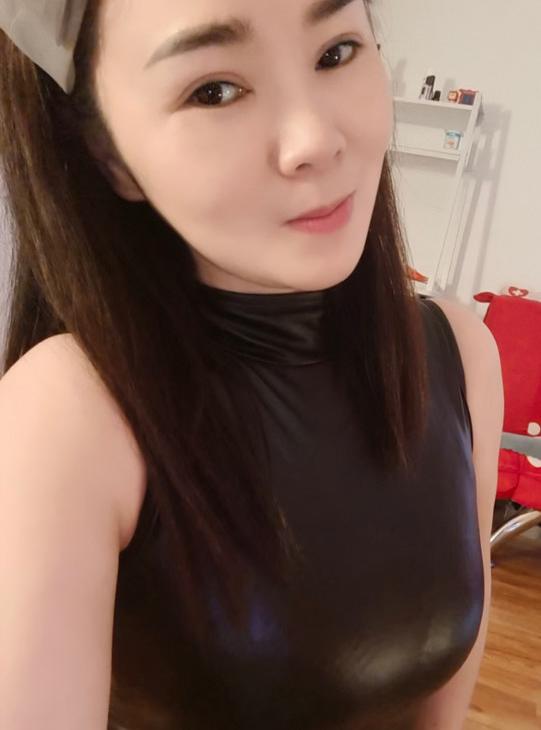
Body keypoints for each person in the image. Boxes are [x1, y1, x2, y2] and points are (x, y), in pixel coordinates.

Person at [0, 1, 504, 729]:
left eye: (335, 52)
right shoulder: (67, 415)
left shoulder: (457, 355)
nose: (314, 139)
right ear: (109, 154)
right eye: (214, 90)